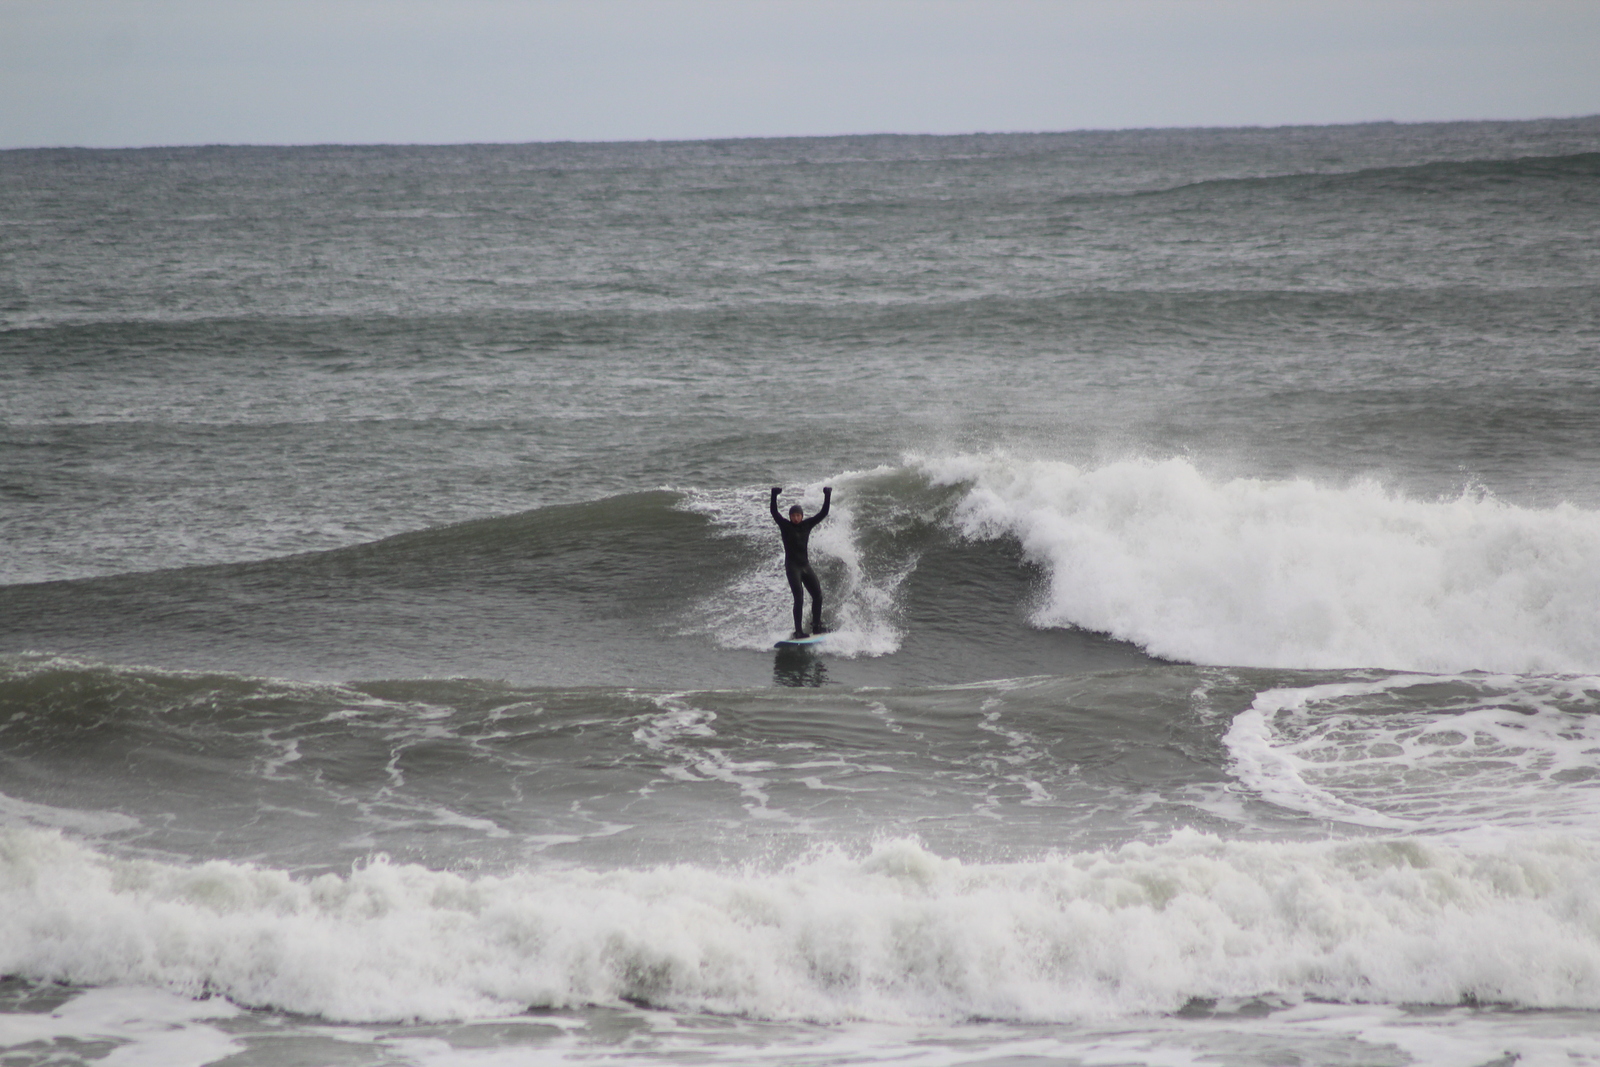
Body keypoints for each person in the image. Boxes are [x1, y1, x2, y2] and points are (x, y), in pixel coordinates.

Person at [770, 485, 832, 639]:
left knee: (817, 595)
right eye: (793, 515)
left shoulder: (807, 525)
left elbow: (823, 513)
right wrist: (774, 495)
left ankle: (816, 626)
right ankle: (798, 631)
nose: (796, 518)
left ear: (802, 516)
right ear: (790, 516)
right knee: (799, 597)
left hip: (805, 566)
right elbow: (774, 512)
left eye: (798, 515)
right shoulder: (785, 526)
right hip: (792, 567)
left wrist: (827, 495)